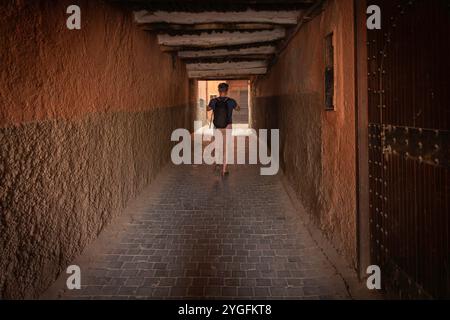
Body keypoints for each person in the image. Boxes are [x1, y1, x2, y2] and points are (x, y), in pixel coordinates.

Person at [207, 83, 240, 176]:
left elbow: (207, 109)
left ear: (219, 90)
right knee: (226, 147)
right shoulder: (231, 101)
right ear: (227, 90)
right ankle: (224, 170)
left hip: (217, 127)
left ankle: (218, 162)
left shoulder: (213, 101)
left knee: (217, 145)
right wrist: (235, 107)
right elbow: (238, 108)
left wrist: (210, 106)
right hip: (228, 127)